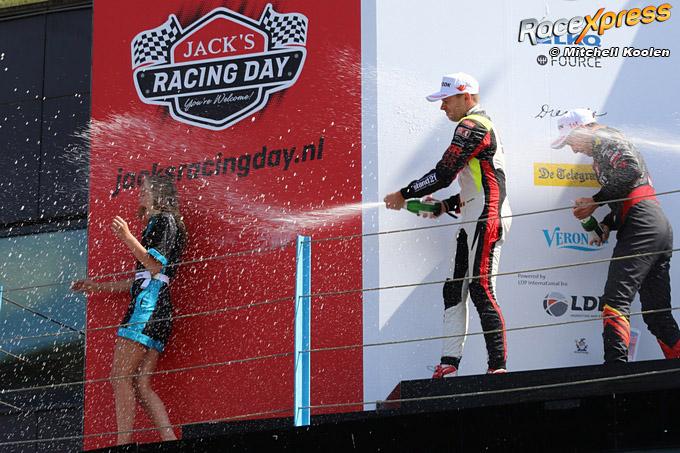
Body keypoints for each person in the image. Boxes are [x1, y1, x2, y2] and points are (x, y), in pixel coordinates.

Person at [384, 72, 512, 377]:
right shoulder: (475, 125)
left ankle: (497, 367)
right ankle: (449, 363)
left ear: (466, 96)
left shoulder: (473, 125)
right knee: (453, 289)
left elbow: (444, 173)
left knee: (481, 287)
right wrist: (445, 205)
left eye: (446, 100)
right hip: (473, 214)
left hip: (486, 215)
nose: (442, 107)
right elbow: (477, 183)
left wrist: (405, 193)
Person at [551, 108, 680, 363]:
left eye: (571, 141)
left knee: (615, 300)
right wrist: (607, 224)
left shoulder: (607, 138)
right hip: (651, 223)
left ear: (583, 129)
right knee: (656, 314)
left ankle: (615, 370)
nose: (573, 150)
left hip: (642, 224)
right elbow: (629, 195)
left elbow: (630, 171)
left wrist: (595, 200)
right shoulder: (604, 147)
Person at [72, 174, 188, 444]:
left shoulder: (164, 221)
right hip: (158, 308)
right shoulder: (162, 223)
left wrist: (127, 237)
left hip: (146, 309)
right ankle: (169, 438)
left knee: (119, 376)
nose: (140, 195)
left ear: (159, 195)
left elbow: (154, 266)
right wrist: (98, 287)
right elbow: (144, 278)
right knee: (141, 384)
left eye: (144, 190)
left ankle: (123, 443)